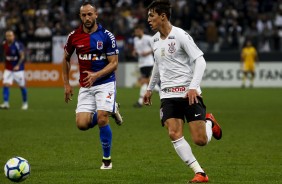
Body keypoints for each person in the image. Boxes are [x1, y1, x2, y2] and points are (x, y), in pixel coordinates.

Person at [143, 1, 222, 183]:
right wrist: (149, 88)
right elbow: (157, 65)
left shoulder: (180, 35)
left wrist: (193, 86)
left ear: (163, 16)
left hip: (188, 93)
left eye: (151, 15)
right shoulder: (154, 40)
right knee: (173, 133)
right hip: (167, 95)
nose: (148, 19)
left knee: (200, 140)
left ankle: (209, 121)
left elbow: (200, 61)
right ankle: (200, 172)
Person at [62, 1, 123, 170]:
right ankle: (113, 109)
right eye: (84, 15)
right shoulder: (74, 36)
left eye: (90, 14)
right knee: (82, 124)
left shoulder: (106, 36)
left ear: (96, 15)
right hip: (86, 86)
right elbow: (66, 59)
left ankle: (107, 160)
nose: (87, 18)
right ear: (80, 16)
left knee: (102, 117)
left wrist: (96, 75)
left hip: (105, 83)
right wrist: (66, 84)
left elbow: (114, 63)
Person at [132, 24, 159, 108]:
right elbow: (136, 48)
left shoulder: (148, 38)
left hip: (148, 62)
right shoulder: (135, 39)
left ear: (141, 30)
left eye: (137, 31)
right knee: (148, 82)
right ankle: (161, 92)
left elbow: (155, 47)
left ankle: (140, 102)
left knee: (144, 81)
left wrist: (148, 52)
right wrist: (134, 52)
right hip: (141, 64)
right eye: (135, 31)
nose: (136, 33)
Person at [0, 30, 28, 110]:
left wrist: (18, 65)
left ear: (13, 36)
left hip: (18, 70)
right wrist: (4, 63)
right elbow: (5, 54)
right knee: (5, 84)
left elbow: (22, 56)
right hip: (8, 69)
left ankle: (25, 103)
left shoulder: (17, 44)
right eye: (7, 35)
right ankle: (6, 103)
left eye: (10, 35)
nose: (9, 37)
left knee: (22, 86)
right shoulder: (4, 44)